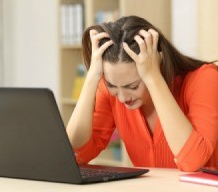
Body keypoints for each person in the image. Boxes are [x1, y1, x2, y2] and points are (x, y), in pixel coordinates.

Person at [66, 15, 218, 172]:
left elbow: (193, 161)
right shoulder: (113, 90)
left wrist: (153, 79)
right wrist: (91, 78)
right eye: (111, 85)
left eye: (133, 86)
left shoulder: (204, 78)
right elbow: (75, 153)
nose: (123, 97)